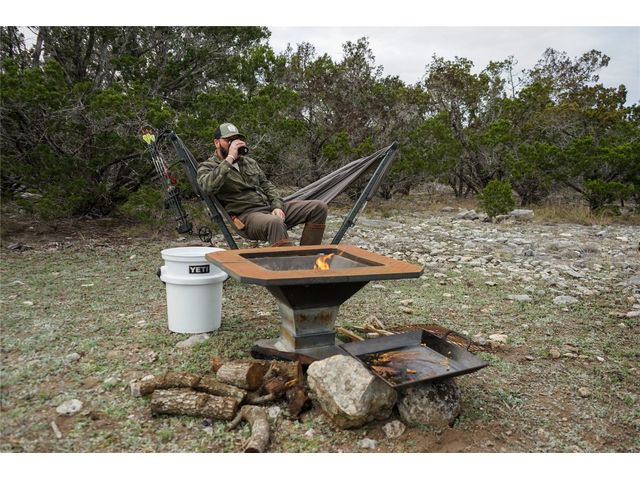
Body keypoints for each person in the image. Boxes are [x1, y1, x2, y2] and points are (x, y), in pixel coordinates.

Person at [197, 122, 328, 247]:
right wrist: (229, 158)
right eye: (229, 140)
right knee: (275, 223)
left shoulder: (249, 162)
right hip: (247, 216)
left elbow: (267, 186)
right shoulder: (208, 166)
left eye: (236, 139)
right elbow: (207, 187)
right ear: (217, 143)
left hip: (268, 208)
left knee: (318, 207)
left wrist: (277, 206)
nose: (234, 144)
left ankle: (309, 255)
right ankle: (287, 262)